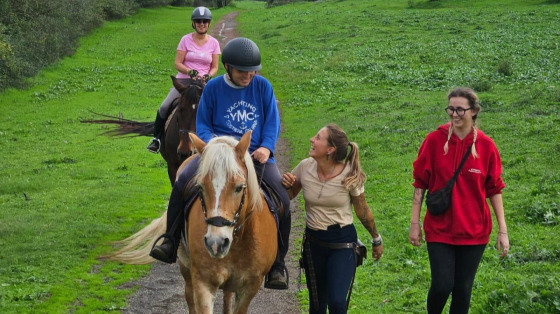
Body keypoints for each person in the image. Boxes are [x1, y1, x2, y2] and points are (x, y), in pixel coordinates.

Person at [150, 37, 291, 290]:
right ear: (227, 66)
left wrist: (266, 147)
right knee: (182, 181)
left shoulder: (263, 87)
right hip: (216, 154)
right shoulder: (214, 88)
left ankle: (278, 264)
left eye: (252, 71)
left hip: (254, 154)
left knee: (282, 197)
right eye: (242, 71)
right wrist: (212, 147)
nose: (248, 75)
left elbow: (272, 121)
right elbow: (203, 123)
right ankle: (170, 240)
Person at [409, 87, 510, 314]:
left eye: (460, 110)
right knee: (442, 285)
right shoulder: (434, 141)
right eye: (451, 109)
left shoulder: (486, 146)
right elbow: (419, 184)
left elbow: (494, 189)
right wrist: (414, 224)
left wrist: (502, 231)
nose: (454, 115)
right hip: (440, 228)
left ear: (473, 111)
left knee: (463, 289)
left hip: (474, 231)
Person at [281, 124, 383, 314]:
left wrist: (376, 238)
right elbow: (290, 195)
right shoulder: (305, 167)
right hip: (314, 244)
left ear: (330, 149)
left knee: (337, 302)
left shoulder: (349, 173)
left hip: (342, 243)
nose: (312, 139)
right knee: (317, 307)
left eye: (318, 138)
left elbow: (362, 210)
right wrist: (287, 184)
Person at [147, 6, 220, 153]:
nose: (202, 24)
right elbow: (177, 63)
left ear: (209, 23)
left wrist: (209, 75)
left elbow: (215, 67)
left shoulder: (214, 43)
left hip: (203, 84)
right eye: (198, 21)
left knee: (218, 108)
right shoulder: (185, 40)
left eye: (205, 21)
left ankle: (218, 139)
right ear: (193, 23)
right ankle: (157, 139)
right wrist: (189, 71)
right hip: (184, 82)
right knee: (164, 106)